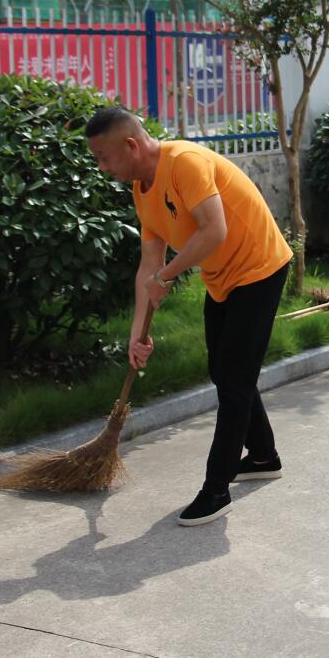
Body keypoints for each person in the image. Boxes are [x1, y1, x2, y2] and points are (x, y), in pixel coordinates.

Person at [86, 106, 293, 526]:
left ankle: (216, 490)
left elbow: (213, 230)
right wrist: (135, 334)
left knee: (234, 381)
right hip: (223, 277)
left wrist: (166, 276)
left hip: (260, 267)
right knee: (225, 370)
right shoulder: (142, 189)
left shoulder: (184, 164)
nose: (102, 168)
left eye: (104, 157)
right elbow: (149, 266)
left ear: (130, 145)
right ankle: (264, 456)